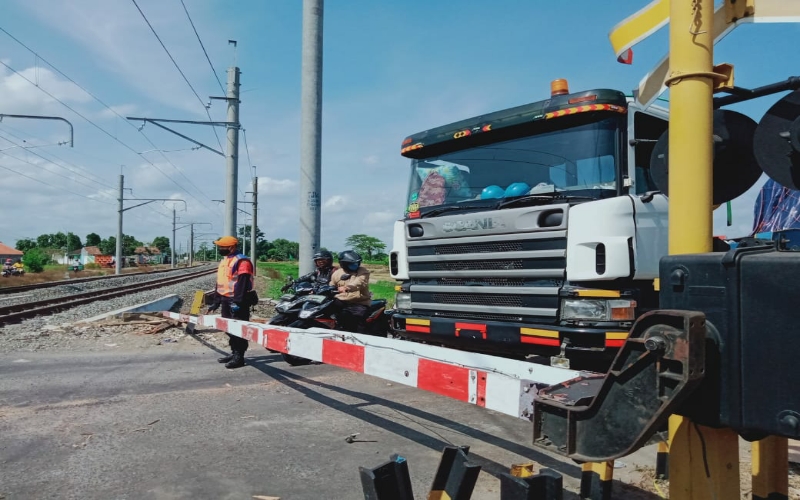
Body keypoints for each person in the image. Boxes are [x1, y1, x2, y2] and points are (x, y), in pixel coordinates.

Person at [206, 236, 254, 369]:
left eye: (223, 247)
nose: (220, 249)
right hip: (226, 299)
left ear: (232, 247)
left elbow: (242, 283)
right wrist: (216, 301)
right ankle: (234, 352)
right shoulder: (225, 260)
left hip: (238, 301)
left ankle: (239, 356)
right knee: (228, 328)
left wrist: (237, 302)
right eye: (220, 246)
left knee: (238, 329)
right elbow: (221, 282)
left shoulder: (242, 261)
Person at [329, 250, 372, 333]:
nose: (356, 265)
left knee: (358, 318)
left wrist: (347, 287)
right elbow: (331, 285)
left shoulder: (363, 271)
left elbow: (359, 282)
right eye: (352, 264)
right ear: (343, 264)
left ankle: (360, 337)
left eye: (357, 263)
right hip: (341, 301)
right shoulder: (337, 273)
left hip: (359, 302)